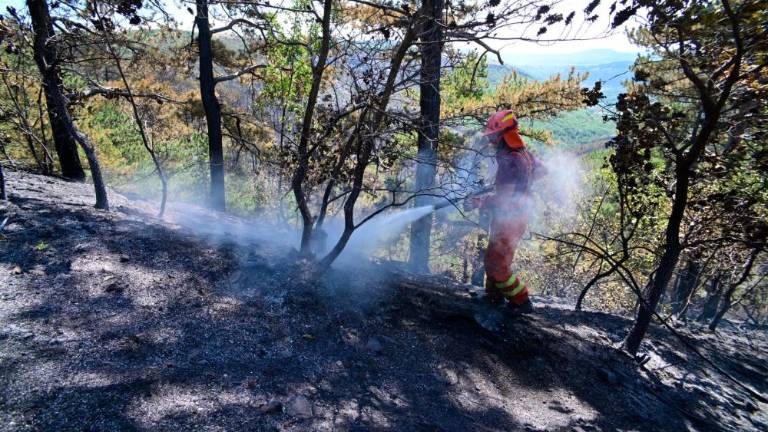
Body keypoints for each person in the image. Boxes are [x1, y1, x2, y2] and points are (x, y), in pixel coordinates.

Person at [466, 110, 544, 313]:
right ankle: (494, 297)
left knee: (497, 264)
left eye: (494, 136)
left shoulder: (511, 160)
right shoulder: (522, 153)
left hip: (510, 219)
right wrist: (522, 184)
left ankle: (521, 300)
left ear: (503, 135)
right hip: (512, 217)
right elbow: (542, 170)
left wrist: (479, 202)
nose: (491, 141)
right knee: (493, 258)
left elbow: (504, 200)